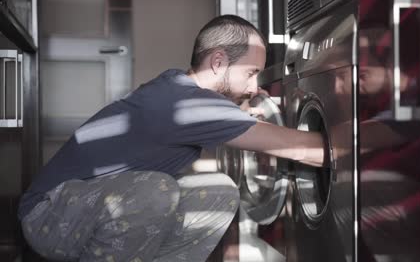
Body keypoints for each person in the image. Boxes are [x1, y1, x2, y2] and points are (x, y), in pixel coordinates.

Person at [18, 15, 324, 262]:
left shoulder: (177, 87)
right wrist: (363, 130)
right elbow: (306, 149)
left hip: (82, 209)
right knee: (156, 190)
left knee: (221, 191)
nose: (255, 86)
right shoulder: (190, 105)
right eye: (252, 72)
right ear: (218, 62)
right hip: (47, 215)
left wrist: (243, 117)